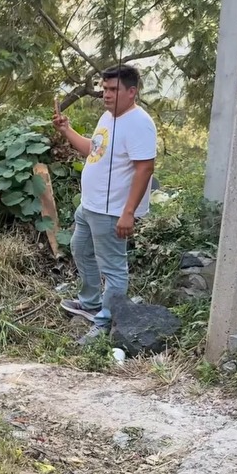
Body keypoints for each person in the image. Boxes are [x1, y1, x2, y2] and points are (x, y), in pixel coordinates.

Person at [52, 64, 157, 344]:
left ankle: (106, 322)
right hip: (90, 205)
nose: (106, 95)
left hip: (112, 211)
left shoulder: (139, 123)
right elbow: (93, 150)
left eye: (113, 89)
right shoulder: (108, 117)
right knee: (80, 248)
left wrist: (128, 213)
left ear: (132, 92)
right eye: (104, 89)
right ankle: (90, 303)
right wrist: (67, 130)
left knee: (113, 269)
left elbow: (145, 168)